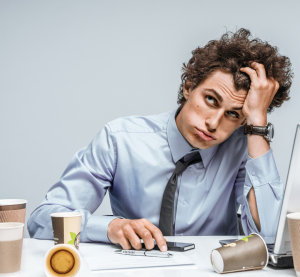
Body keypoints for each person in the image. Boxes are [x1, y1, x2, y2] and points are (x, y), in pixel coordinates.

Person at [28, 29, 293, 252]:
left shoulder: (242, 150)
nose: (213, 123)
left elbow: (273, 239)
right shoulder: (120, 140)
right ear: (189, 87)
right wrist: (110, 227)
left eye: (233, 114)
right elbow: (41, 220)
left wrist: (258, 123)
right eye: (210, 100)